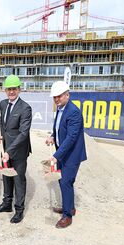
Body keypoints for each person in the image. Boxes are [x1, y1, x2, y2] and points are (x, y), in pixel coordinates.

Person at [45, 81, 87, 229]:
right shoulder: (61, 109)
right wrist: (52, 136)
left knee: (65, 182)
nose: (56, 99)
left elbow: (71, 138)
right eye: (54, 97)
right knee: (62, 181)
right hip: (63, 153)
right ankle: (69, 207)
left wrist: (56, 155)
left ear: (67, 95)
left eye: (59, 96)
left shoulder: (73, 112)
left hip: (72, 155)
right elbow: (59, 129)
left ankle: (67, 216)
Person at [0, 75, 32, 224]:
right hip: (6, 148)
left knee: (18, 179)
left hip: (19, 151)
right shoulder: (3, 104)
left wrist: (10, 151)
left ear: (19, 89)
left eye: (14, 89)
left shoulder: (25, 108)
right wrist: (3, 137)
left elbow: (23, 133)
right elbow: (4, 124)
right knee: (6, 176)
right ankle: (6, 204)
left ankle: (19, 210)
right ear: (5, 91)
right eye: (9, 89)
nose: (11, 92)